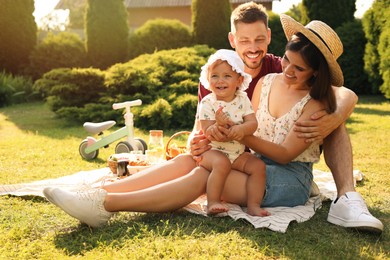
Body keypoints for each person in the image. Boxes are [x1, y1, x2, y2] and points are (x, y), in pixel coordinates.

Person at [43, 3, 383, 232]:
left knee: (202, 177)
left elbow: (282, 152)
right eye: (287, 62)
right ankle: (101, 190)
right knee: (194, 160)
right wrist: (210, 136)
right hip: (251, 161)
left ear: (315, 72)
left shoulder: (315, 102)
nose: (288, 70)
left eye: (299, 68)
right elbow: (219, 123)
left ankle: (106, 206)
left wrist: (239, 135)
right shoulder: (261, 79)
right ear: (233, 41)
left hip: (285, 179)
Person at [197, 49, 269, 216]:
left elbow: (252, 123)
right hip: (213, 152)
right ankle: (213, 201)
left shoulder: (242, 99)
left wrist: (241, 129)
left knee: (258, 166)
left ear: (239, 80)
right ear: (208, 79)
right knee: (221, 163)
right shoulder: (208, 102)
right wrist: (217, 125)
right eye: (214, 75)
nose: (220, 81)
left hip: (236, 152)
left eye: (227, 76)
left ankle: (253, 205)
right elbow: (207, 131)